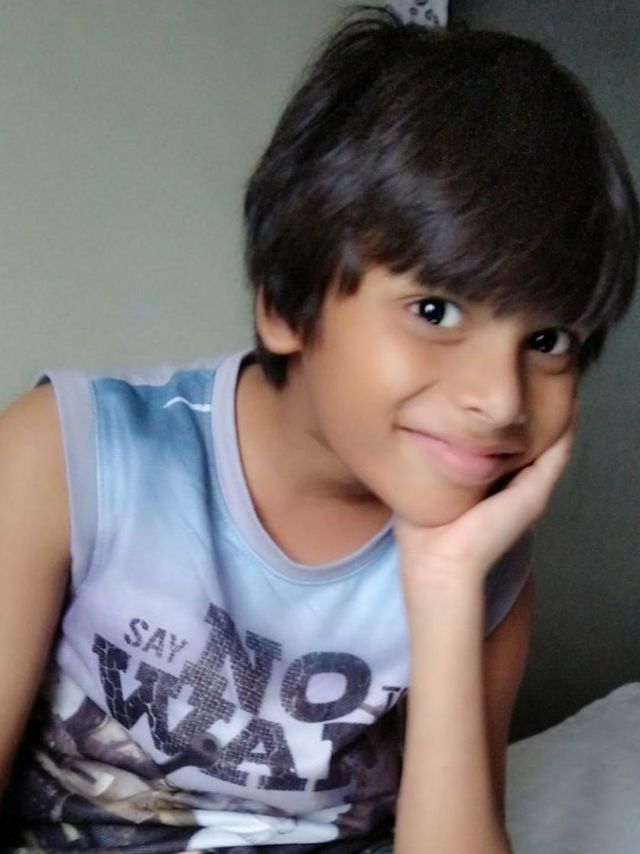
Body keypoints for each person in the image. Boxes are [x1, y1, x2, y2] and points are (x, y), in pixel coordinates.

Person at [0, 8, 637, 853]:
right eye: (435, 311)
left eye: (549, 340)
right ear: (284, 302)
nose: (500, 399)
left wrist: (447, 582)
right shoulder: (68, 455)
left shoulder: (484, 551)